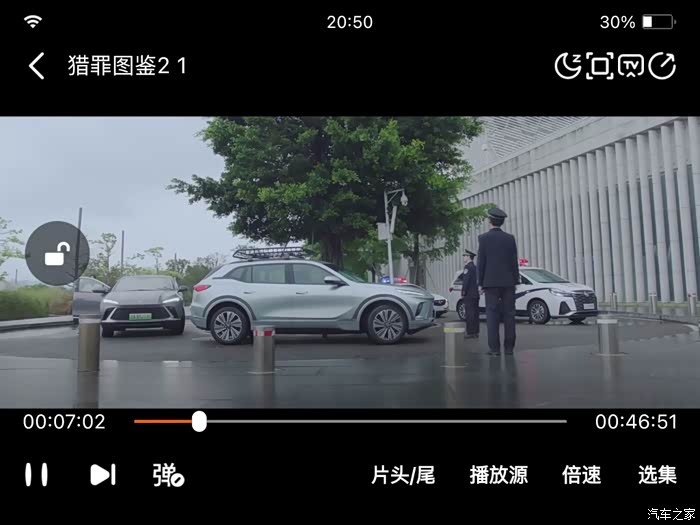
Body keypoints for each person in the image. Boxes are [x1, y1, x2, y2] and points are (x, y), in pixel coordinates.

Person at [477, 207, 519, 356]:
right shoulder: (510, 238)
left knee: (492, 315)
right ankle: (509, 348)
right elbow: (514, 262)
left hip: (490, 283)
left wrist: (480, 283)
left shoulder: (483, 238)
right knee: (509, 315)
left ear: (490, 221)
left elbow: (481, 262)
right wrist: (516, 280)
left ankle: (494, 348)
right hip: (508, 282)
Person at [461, 250, 480, 338]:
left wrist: (463, 292)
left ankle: (470, 332)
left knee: (469, 314)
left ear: (469, 257)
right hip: (475, 294)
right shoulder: (475, 267)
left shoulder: (467, 267)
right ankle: (475, 332)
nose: (464, 257)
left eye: (465, 256)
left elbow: (466, 281)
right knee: (475, 313)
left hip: (469, 294)